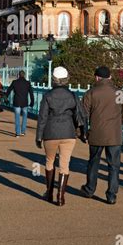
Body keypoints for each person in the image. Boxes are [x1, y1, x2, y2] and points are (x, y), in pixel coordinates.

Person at [36, 66, 87, 207]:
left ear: (54, 79)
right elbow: (80, 115)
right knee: (65, 164)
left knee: (49, 161)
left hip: (50, 133)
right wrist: (83, 132)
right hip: (68, 133)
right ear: (66, 80)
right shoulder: (73, 95)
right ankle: (60, 196)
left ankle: (49, 191)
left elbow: (42, 118)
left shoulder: (48, 96)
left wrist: (39, 136)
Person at [81, 66, 123, 205]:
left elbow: (83, 114)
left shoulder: (91, 93)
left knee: (93, 162)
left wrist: (83, 132)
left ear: (97, 77)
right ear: (110, 77)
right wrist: (118, 123)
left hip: (96, 133)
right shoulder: (119, 93)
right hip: (114, 134)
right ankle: (111, 195)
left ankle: (90, 189)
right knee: (114, 165)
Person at [6, 70, 34, 137]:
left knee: (17, 117)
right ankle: (23, 131)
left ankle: (17, 132)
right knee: (24, 117)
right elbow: (31, 93)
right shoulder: (27, 83)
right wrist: (32, 102)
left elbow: (8, 91)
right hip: (25, 102)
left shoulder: (14, 82)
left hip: (17, 102)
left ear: (18, 75)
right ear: (24, 75)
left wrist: (6, 98)